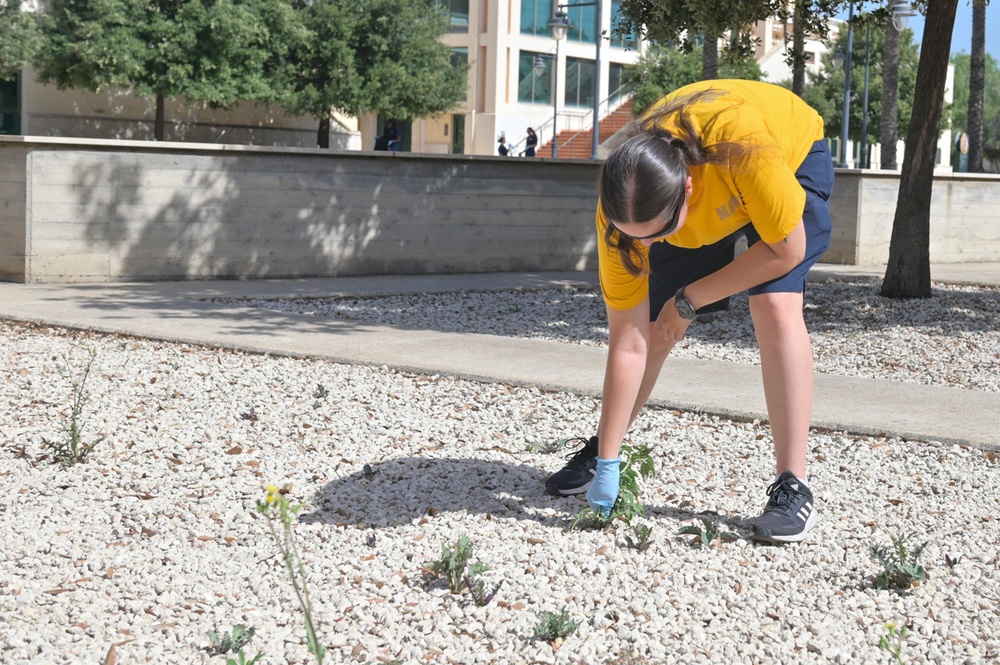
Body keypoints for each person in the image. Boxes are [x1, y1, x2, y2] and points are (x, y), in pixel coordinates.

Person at [544, 79, 833, 544]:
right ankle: (602, 450)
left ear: (688, 191)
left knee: (774, 305)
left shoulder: (744, 147)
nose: (645, 247)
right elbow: (629, 341)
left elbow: (786, 250)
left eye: (655, 234)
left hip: (788, 157)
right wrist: (609, 461)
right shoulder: (626, 213)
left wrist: (689, 299)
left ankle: (793, 486)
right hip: (693, 200)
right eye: (632, 234)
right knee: (655, 326)